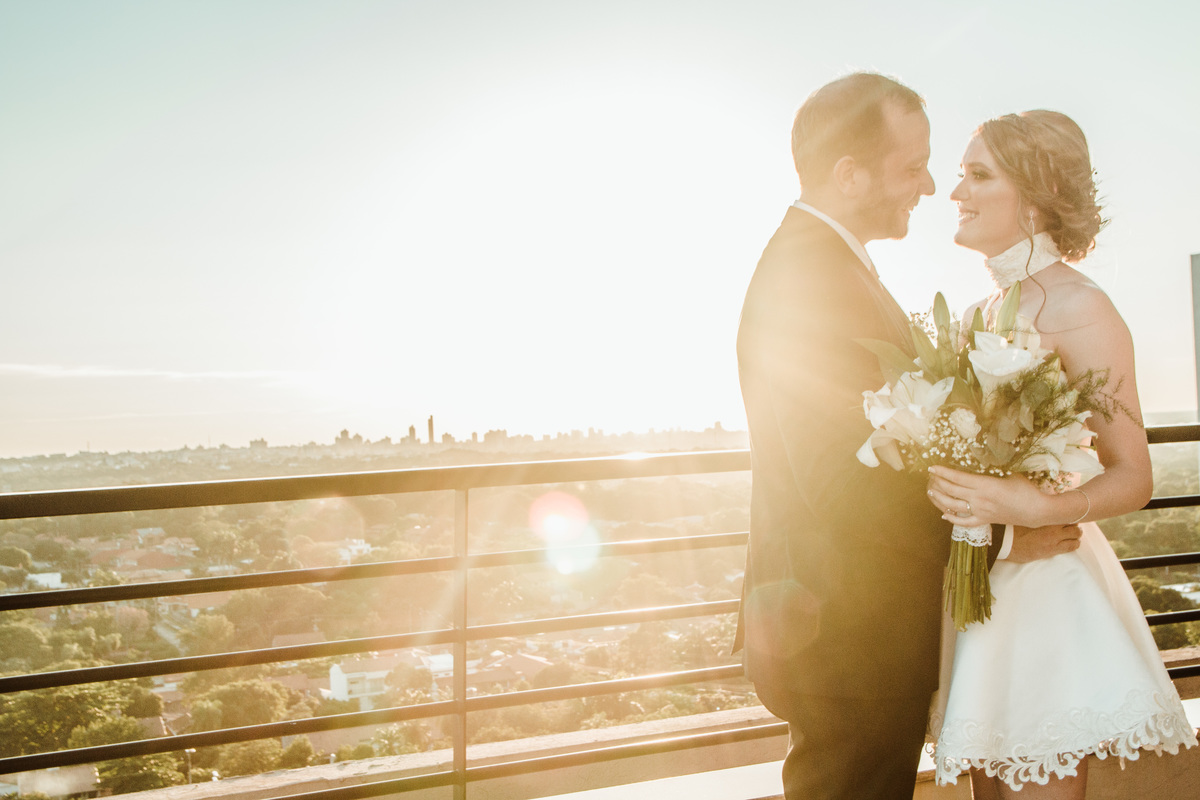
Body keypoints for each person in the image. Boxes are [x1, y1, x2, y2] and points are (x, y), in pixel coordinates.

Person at [733, 74, 1083, 800]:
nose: (928, 187)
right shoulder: (807, 276)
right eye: (913, 167)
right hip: (845, 636)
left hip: (849, 628)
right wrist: (1003, 529)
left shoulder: (830, 263)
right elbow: (841, 484)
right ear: (849, 175)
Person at [926, 110, 1197, 797]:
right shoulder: (973, 315)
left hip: (1046, 589)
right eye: (961, 174)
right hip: (980, 584)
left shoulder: (1083, 307)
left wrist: (1038, 507)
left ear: (1037, 194)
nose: (955, 192)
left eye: (978, 175)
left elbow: (1134, 476)